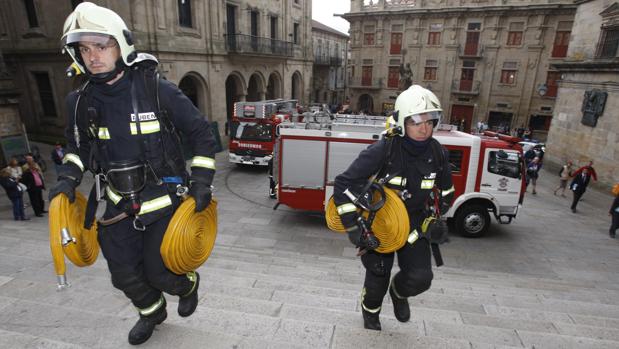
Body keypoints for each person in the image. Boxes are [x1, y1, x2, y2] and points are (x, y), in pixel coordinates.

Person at [48, 3, 217, 345]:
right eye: (84, 49)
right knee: (123, 275)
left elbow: (202, 135)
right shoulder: (79, 102)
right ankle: (152, 313)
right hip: (116, 207)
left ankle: (186, 283)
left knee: (161, 271)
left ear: (120, 46)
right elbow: (77, 150)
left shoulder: (158, 90)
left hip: (165, 201)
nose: (93, 56)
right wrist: (67, 178)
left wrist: (201, 182)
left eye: (101, 45)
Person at [333, 85, 454, 331]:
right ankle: (370, 313)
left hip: (413, 226)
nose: (424, 128)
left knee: (422, 278)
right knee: (378, 275)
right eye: (416, 121)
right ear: (401, 122)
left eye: (430, 121)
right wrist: (353, 228)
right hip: (381, 225)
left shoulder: (437, 153)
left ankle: (398, 293)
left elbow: (446, 192)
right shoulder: (383, 150)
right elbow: (343, 184)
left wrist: (436, 219)